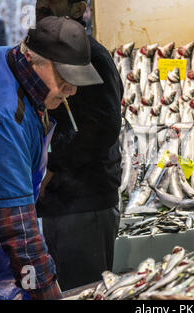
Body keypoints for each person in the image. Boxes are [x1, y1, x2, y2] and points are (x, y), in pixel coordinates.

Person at [0, 16, 103, 300]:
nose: (72, 89)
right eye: (65, 77)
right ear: (33, 59)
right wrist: (47, 292)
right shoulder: (1, 118)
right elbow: (20, 234)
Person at [34, 0, 124, 291]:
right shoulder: (46, 57)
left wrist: (53, 166)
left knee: (85, 292)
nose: (43, 4)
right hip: (57, 202)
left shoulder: (91, 56)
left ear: (78, 8)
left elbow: (103, 129)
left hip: (86, 204)